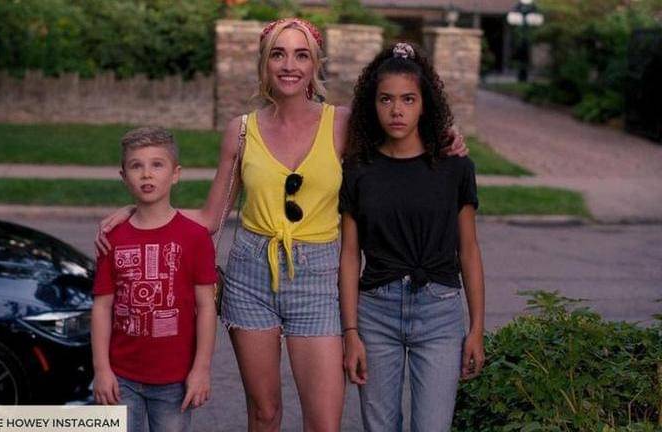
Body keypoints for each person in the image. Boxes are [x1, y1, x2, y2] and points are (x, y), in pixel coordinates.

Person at [96, 19, 467, 432]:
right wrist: (137, 212)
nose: (289, 65)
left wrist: (446, 133)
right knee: (265, 413)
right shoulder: (241, 131)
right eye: (278, 54)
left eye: (301, 55)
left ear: (315, 65)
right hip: (251, 276)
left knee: (323, 423)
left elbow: (402, 134)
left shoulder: (343, 124)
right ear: (264, 63)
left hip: (320, 277)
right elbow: (210, 219)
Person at [339, 42, 486, 432]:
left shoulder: (455, 167)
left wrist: (476, 328)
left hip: (440, 312)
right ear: (372, 105)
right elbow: (350, 255)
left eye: (408, 99)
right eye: (386, 99)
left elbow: (469, 250)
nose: (397, 110)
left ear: (425, 104)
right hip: (375, 312)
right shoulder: (358, 169)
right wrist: (350, 332)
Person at [91, 127, 217, 432]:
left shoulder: (195, 237)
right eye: (137, 166)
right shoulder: (112, 237)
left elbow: (206, 307)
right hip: (121, 377)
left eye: (157, 165)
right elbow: (102, 307)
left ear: (175, 174)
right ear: (124, 176)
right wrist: (101, 369)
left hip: (175, 379)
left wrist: (201, 369)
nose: (147, 174)